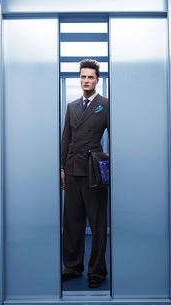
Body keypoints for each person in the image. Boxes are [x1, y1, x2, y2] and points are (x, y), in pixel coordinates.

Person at [61, 59, 109, 288]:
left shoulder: (106, 104)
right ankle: (72, 266)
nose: (86, 80)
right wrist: (62, 168)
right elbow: (66, 139)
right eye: (83, 76)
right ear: (79, 79)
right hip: (72, 169)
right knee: (72, 221)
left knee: (97, 222)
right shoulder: (71, 106)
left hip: (93, 170)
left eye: (90, 76)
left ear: (97, 80)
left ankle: (97, 271)